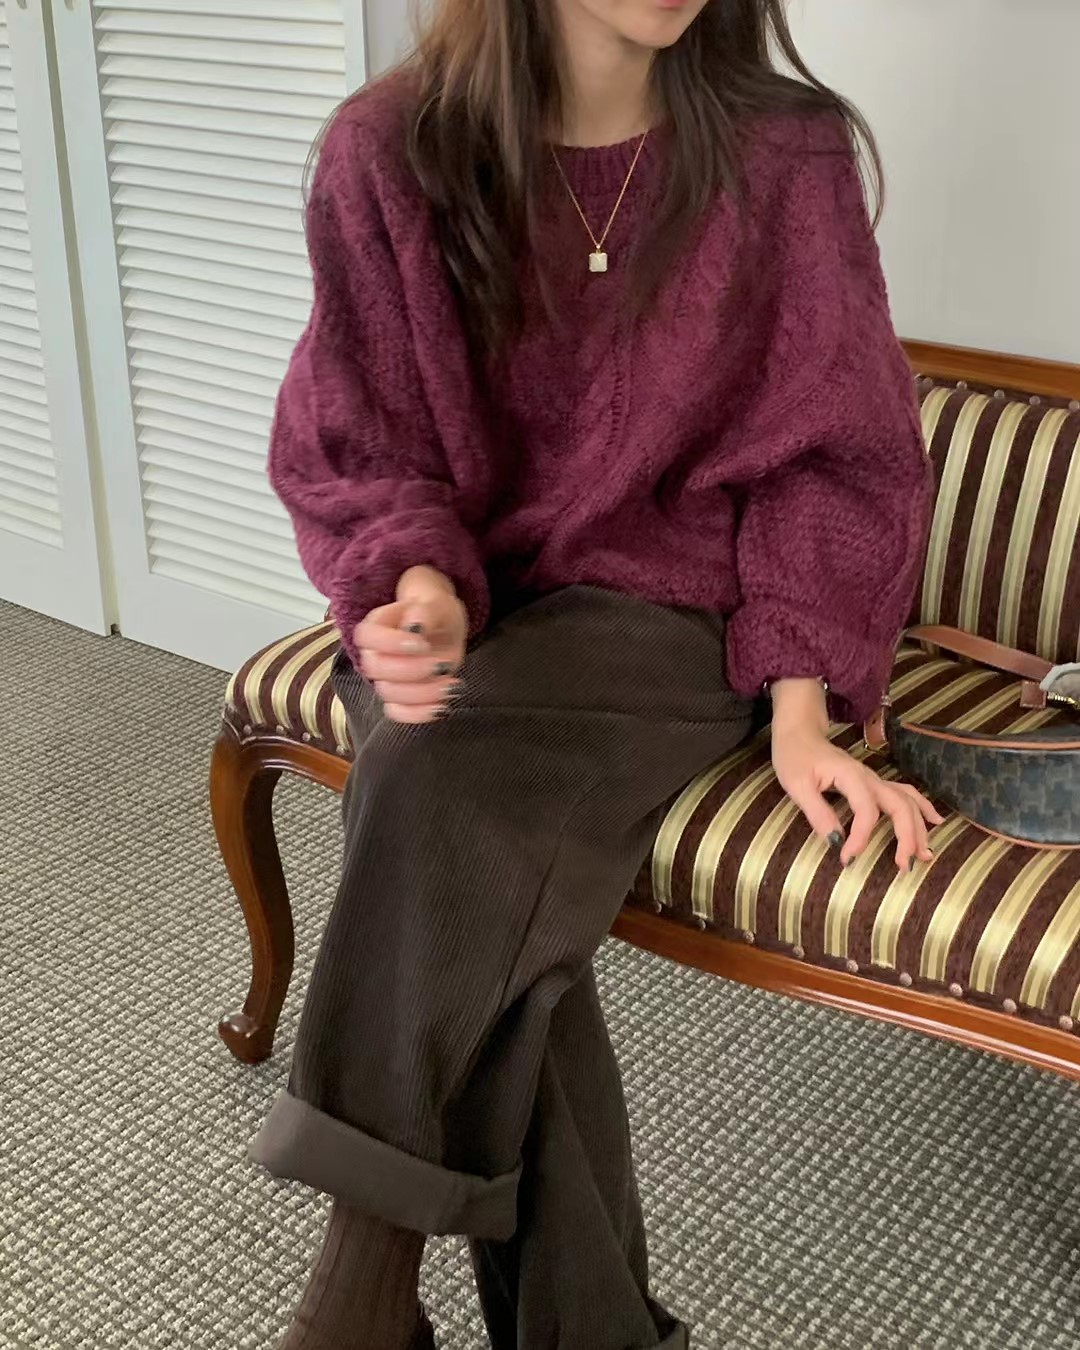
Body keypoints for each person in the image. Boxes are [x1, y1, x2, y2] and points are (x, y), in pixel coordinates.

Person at [249, 0, 942, 1345]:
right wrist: (416, 584)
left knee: (433, 776)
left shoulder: (787, 156)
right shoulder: (388, 151)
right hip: (465, 611)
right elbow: (360, 429)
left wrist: (803, 705)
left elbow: (836, 455)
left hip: (668, 616)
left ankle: (358, 1302)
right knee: (499, 913)